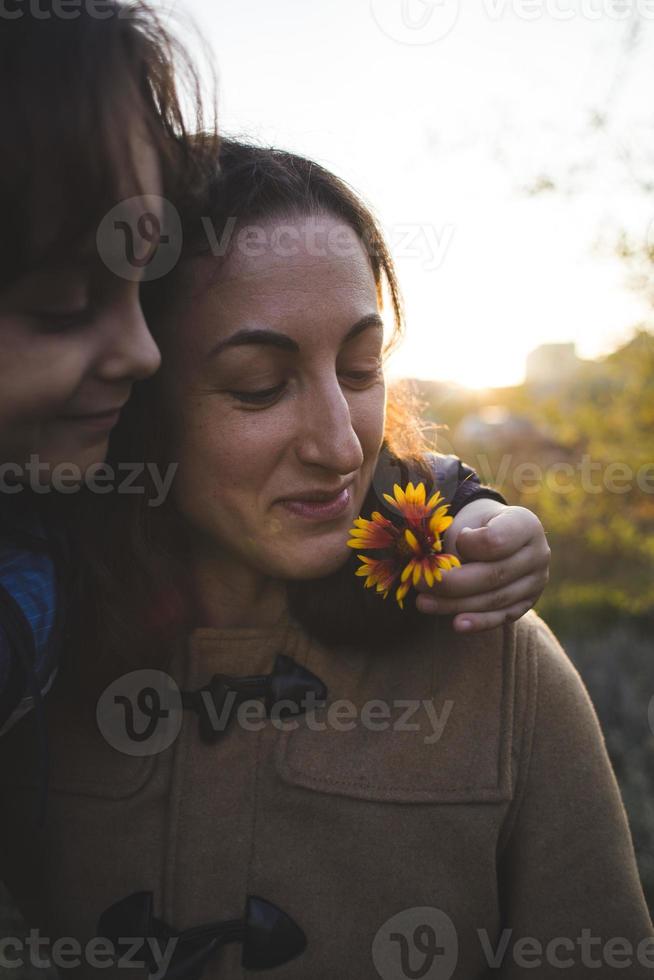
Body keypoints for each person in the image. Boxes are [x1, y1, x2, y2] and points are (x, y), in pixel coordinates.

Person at [0, 140, 650, 978]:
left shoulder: (501, 663)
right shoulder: (30, 665)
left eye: (360, 367)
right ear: (131, 393)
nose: (341, 445)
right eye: (259, 385)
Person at [0, 0, 218, 749]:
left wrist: (449, 508)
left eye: (145, 290)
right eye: (62, 305)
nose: (144, 351)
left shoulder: (63, 495)